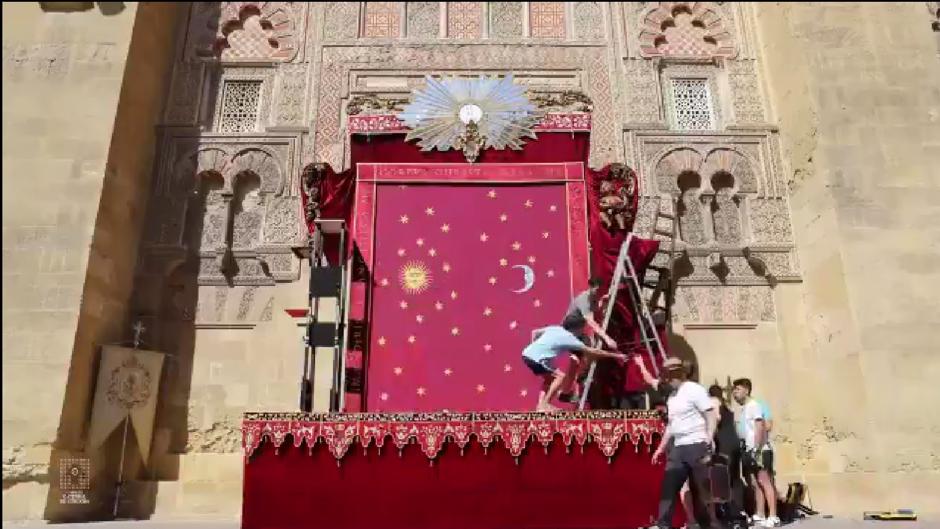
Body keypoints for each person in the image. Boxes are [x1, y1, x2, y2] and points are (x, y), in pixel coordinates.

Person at [649, 357, 720, 529]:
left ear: (679, 373)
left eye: (669, 375)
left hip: (697, 444)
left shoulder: (694, 389)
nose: (667, 379)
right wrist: (660, 449)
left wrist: (709, 437)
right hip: (678, 447)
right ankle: (663, 524)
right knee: (669, 486)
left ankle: (709, 523)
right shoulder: (672, 397)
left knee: (702, 489)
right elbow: (672, 426)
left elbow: (710, 415)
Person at [522, 313, 626, 411]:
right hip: (535, 358)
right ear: (577, 329)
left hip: (526, 354)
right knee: (560, 377)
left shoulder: (555, 328)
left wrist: (535, 347)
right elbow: (593, 351)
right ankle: (545, 404)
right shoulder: (570, 338)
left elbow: (534, 332)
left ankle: (541, 406)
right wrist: (616, 355)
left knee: (549, 380)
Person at [558, 278, 618, 402]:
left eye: (599, 291)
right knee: (589, 348)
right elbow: (591, 322)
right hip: (569, 331)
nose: (597, 292)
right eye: (596, 290)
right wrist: (607, 339)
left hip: (577, 332)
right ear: (590, 287)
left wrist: (602, 301)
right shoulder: (583, 299)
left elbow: (595, 310)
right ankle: (582, 377)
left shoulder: (593, 299)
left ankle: (565, 392)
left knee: (575, 362)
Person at [732, 378, 779, 528]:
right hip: (748, 449)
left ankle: (773, 515)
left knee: (764, 481)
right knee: (755, 483)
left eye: (737, 389)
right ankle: (760, 513)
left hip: (759, 450)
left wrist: (758, 448)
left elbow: (762, 426)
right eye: (734, 390)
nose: (734, 393)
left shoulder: (756, 405)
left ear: (746, 389)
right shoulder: (745, 408)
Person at [708, 384, 746, 525]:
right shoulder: (728, 406)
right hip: (734, 442)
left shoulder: (713, 402)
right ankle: (739, 509)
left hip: (723, 443)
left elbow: (715, 419)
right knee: (735, 477)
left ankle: (729, 510)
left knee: (724, 478)